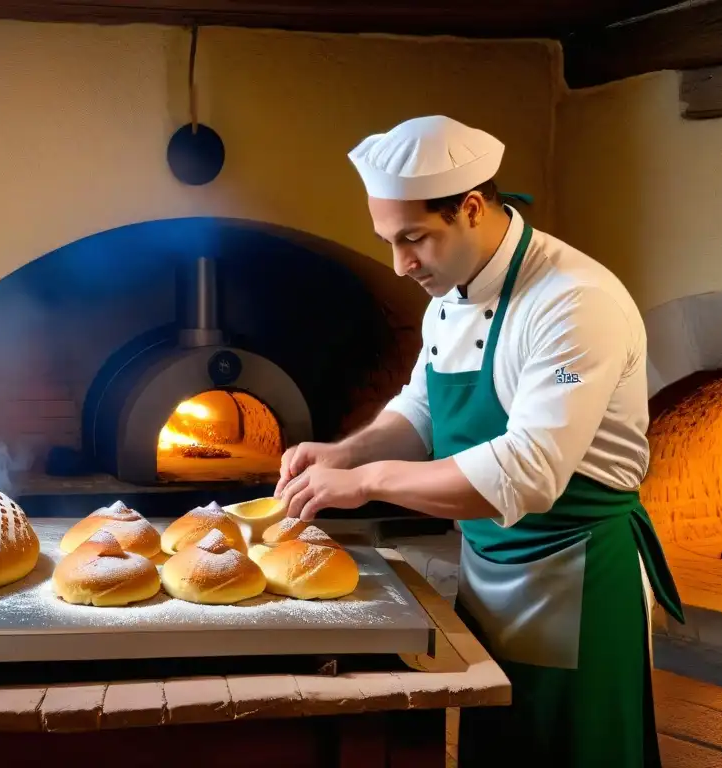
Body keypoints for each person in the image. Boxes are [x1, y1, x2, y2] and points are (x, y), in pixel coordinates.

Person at [273, 115, 685, 766]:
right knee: (498, 746)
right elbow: (423, 409)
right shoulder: (448, 295)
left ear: (470, 208)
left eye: (414, 240)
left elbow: (528, 472)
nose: (400, 264)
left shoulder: (574, 302)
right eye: (387, 241)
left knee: (577, 751)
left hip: (574, 576)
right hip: (490, 567)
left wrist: (365, 484)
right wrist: (346, 452)